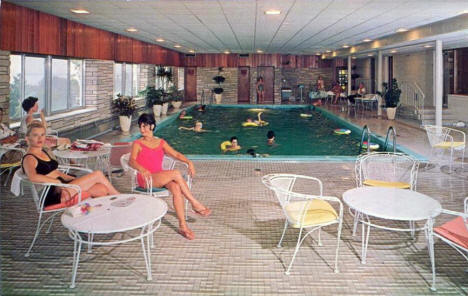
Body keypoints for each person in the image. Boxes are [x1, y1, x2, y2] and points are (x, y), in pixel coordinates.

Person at [129, 113, 211, 240]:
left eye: (145, 126)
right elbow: (131, 161)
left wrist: (189, 162)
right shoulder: (137, 143)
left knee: (176, 188)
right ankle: (195, 203)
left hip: (160, 176)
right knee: (176, 173)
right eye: (140, 126)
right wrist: (141, 169)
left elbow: (176, 154)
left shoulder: (161, 142)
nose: (142, 129)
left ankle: (183, 226)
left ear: (152, 126)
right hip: (146, 179)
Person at [22, 121, 119, 209]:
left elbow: (53, 171)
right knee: (97, 174)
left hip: (64, 187)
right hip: (54, 195)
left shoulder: (43, 151)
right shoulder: (29, 158)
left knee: (102, 189)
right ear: (27, 138)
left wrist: (69, 178)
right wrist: (56, 182)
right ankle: (120, 198)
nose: (40, 138)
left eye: (42, 135)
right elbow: (32, 177)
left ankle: (101, 215)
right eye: (35, 135)